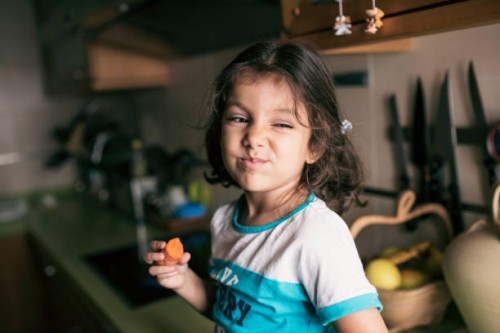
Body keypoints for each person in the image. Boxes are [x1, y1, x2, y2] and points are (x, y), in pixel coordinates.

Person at [144, 41, 388, 333]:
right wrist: (183, 280)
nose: (254, 136)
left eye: (282, 124)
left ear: (315, 145)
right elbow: (231, 312)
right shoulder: (224, 221)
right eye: (239, 118)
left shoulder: (316, 236)